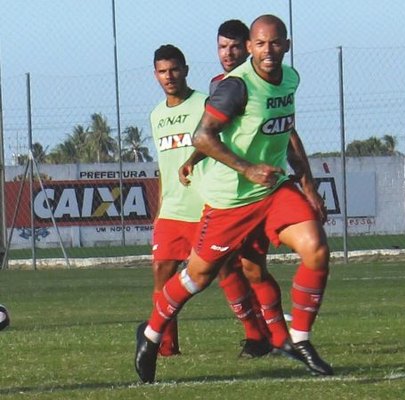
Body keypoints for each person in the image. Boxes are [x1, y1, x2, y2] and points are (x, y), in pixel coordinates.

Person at [135, 15, 332, 384]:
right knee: (197, 276)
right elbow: (202, 136)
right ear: (251, 49)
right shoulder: (235, 87)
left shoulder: (290, 79)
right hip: (231, 200)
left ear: (287, 45)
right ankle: (150, 336)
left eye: (275, 43)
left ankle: (300, 340)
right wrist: (246, 168)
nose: (268, 51)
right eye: (261, 44)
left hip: (273, 190)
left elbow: (287, 133)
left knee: (316, 248)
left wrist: (307, 186)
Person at [147, 43, 271, 360]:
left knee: (227, 272)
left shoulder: (207, 103)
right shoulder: (156, 115)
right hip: (172, 211)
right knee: (162, 271)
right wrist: (159, 209)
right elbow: (164, 166)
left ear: (186, 70)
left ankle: (256, 336)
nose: (169, 76)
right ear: (155, 75)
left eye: (174, 69)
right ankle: (165, 346)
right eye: (162, 71)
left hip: (205, 205)